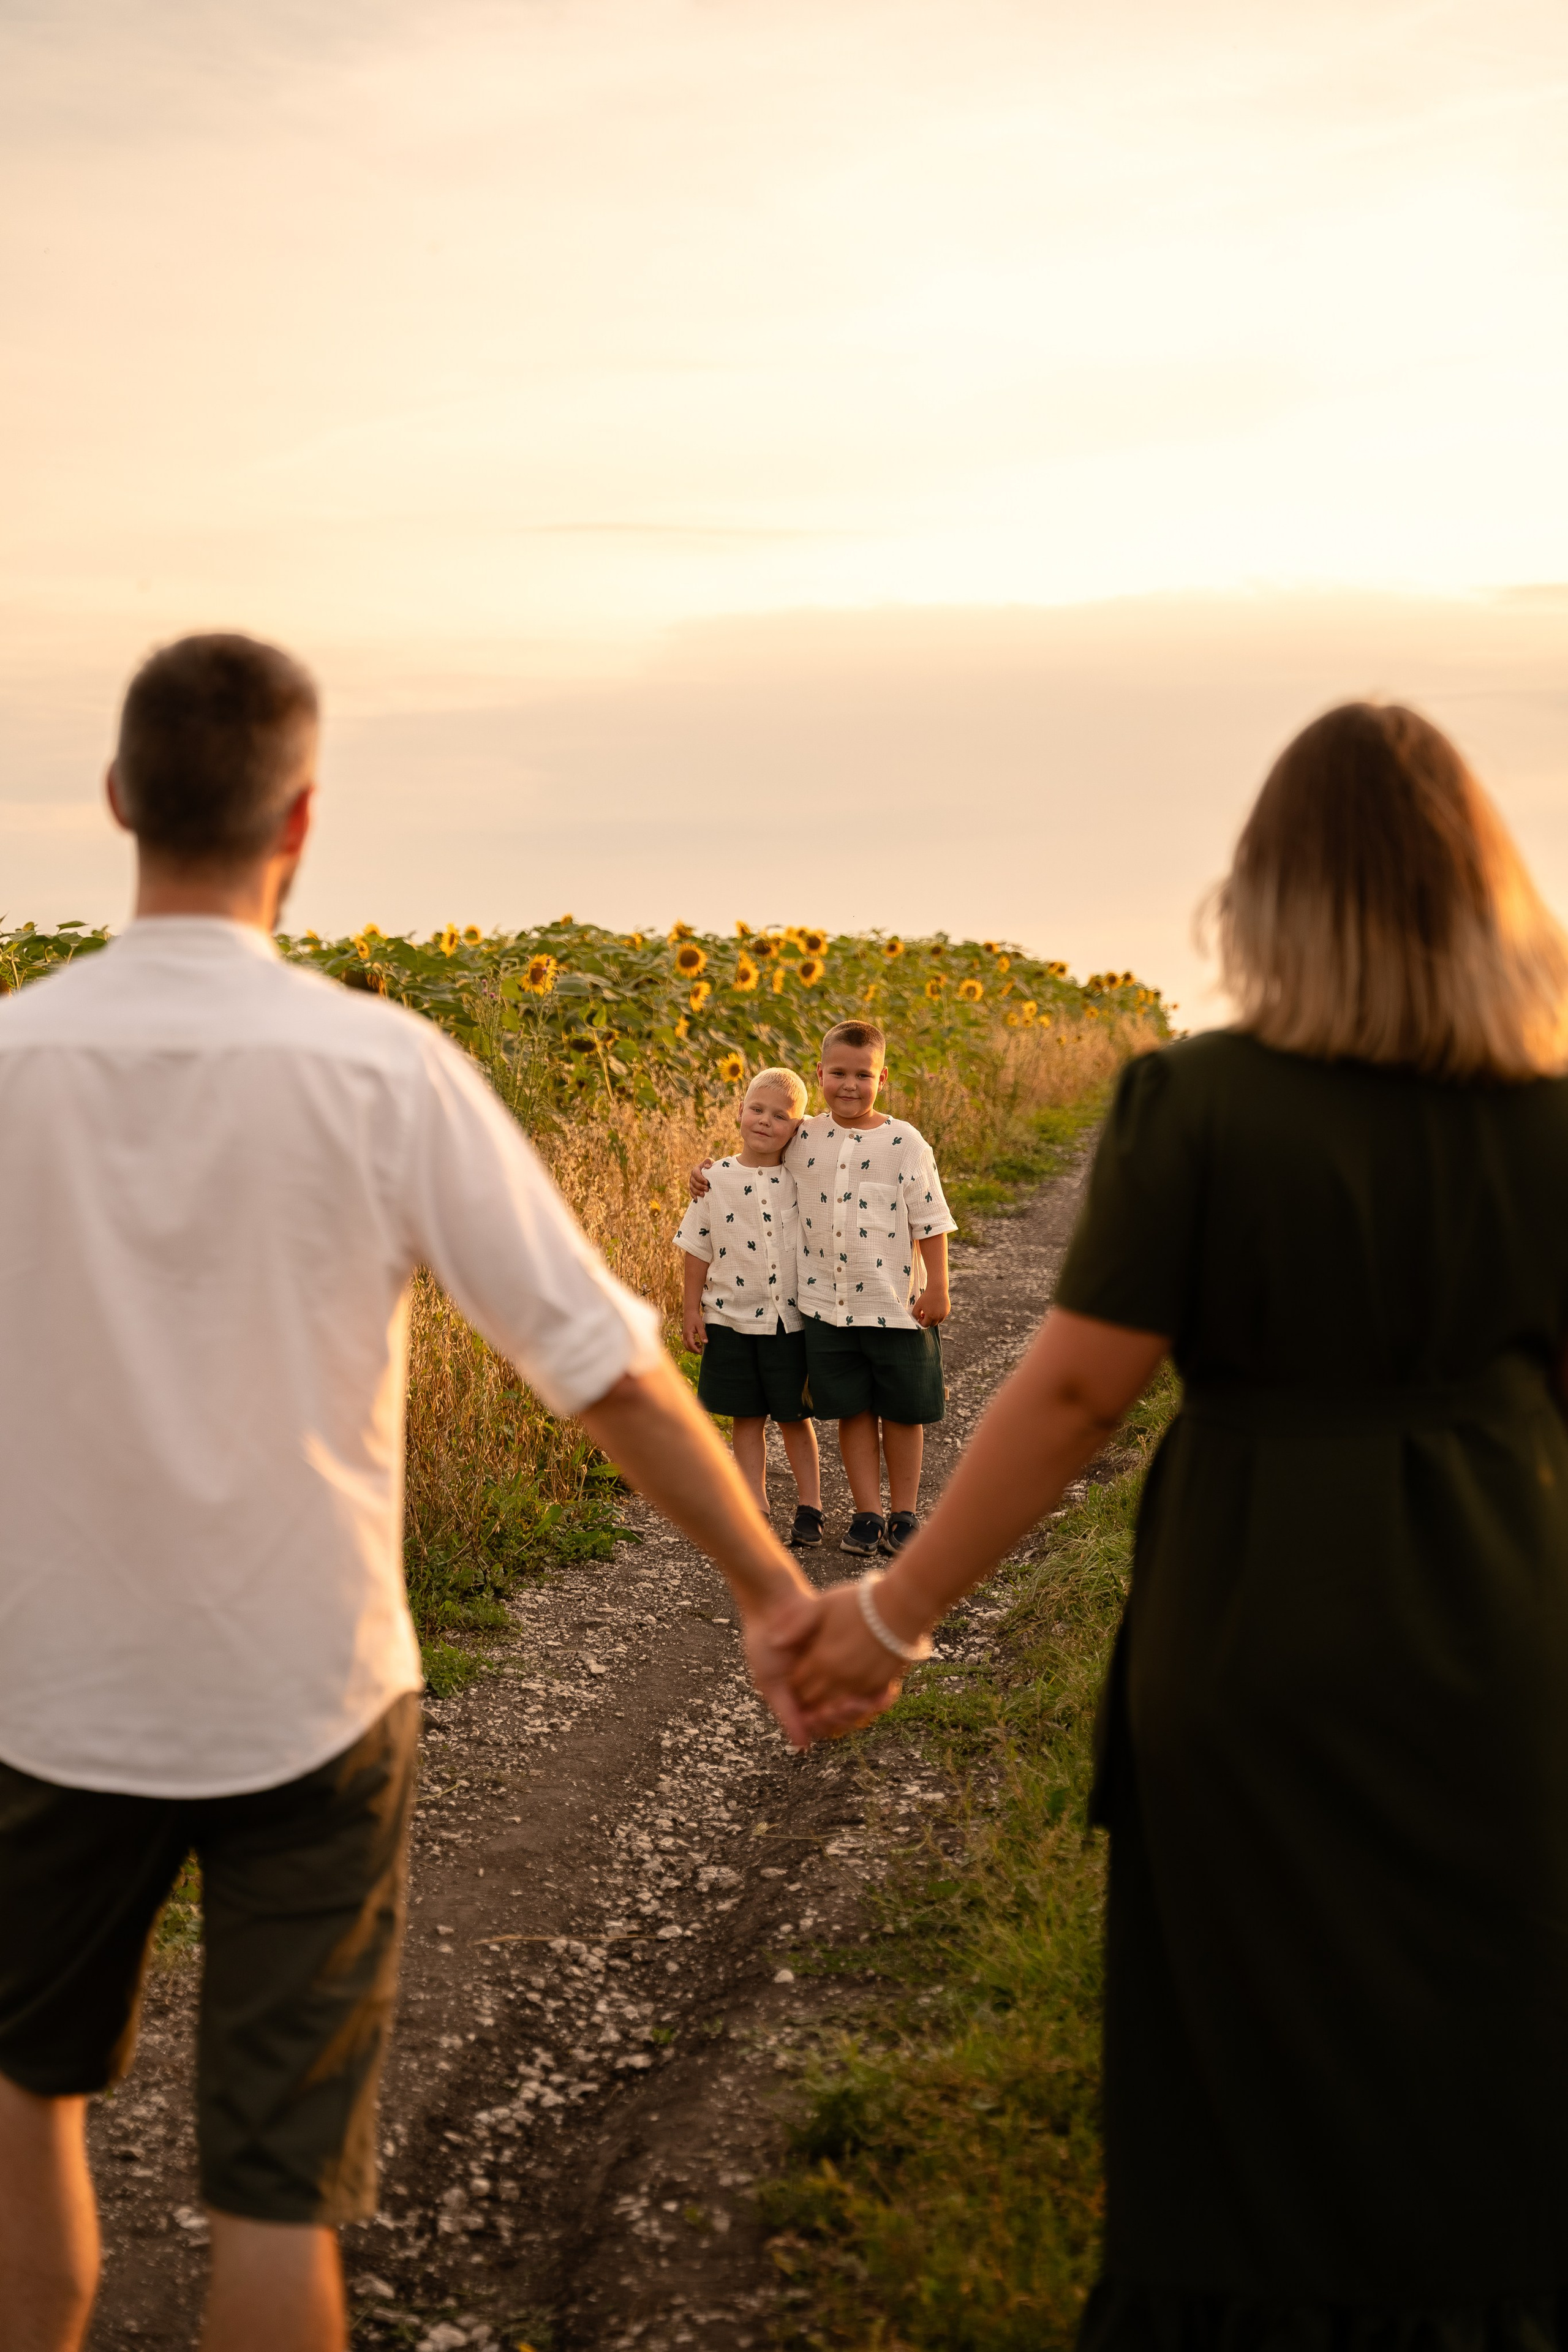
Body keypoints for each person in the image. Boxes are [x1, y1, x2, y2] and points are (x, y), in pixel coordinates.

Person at [0, 634, 820, 2352]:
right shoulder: (380, 1067)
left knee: (22, 2117)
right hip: (309, 1692)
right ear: (300, 817)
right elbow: (603, 1367)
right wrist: (768, 1587)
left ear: (119, 801)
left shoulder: (14, 1058)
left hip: (42, 1693)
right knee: (276, 2198)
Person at [787, 703, 1568, 2348]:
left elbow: (1077, 1394)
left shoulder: (1198, 1104)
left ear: (1266, 896)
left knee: (1242, 2027)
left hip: (1251, 1620)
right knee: (1489, 2008)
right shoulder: (1548, 1117)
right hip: (1505, 1626)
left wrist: (892, 1612)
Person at [692, 1019, 955, 1558]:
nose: (850, 1085)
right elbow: (757, 1153)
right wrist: (705, 1173)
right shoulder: (805, 1135)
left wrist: (939, 1286)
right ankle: (867, 1513)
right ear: (820, 1074)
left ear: (883, 1077)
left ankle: (904, 1514)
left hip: (897, 1305)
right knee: (852, 1411)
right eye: (838, 1073)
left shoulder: (905, 1142)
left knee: (903, 1413)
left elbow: (930, 1218)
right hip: (827, 1309)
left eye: (863, 1075)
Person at [674, 1065, 825, 1545]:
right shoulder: (714, 1180)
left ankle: (811, 1505)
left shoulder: (803, 1177)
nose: (765, 1121)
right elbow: (697, 1248)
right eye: (756, 1109)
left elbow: (825, 1135)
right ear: (739, 1111)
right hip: (730, 1317)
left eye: (781, 1117)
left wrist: (804, 1123)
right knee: (746, 1417)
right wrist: (692, 1310)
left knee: (795, 1418)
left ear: (798, 1128)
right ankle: (755, 1505)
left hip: (788, 1321)